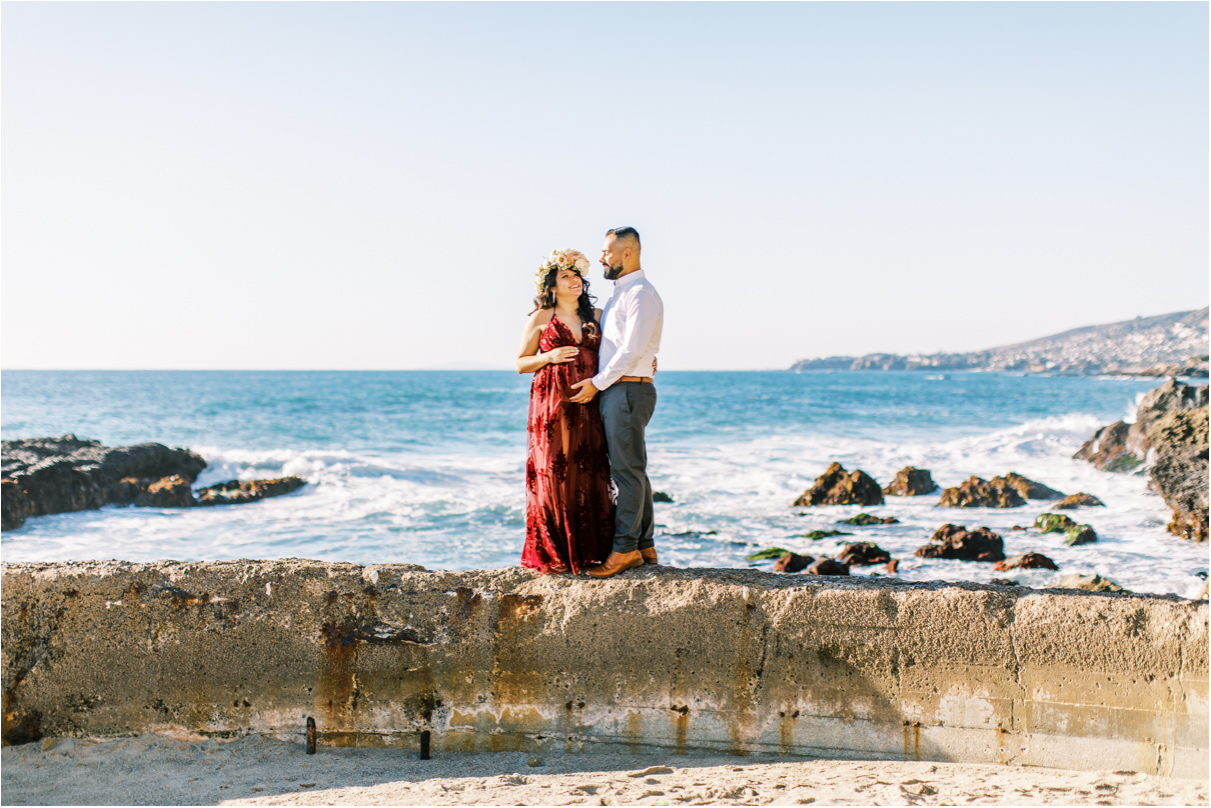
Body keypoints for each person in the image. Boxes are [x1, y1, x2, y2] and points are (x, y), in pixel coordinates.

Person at [569, 227, 664, 578]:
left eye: (608, 251)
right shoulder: (620, 295)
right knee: (633, 470)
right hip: (623, 388)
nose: (602, 258)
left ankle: (625, 550)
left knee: (626, 472)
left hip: (625, 391)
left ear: (627, 253)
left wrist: (596, 383)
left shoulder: (640, 293)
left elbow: (632, 349)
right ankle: (644, 544)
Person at [516, 249, 616, 574]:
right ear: (552, 285)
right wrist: (549, 356)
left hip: (590, 400)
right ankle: (555, 550)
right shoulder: (541, 317)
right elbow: (520, 363)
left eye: (577, 276)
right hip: (552, 402)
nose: (575, 282)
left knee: (590, 466)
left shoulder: (598, 316)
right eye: (566, 277)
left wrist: (648, 360)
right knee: (554, 471)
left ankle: (592, 549)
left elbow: (623, 348)